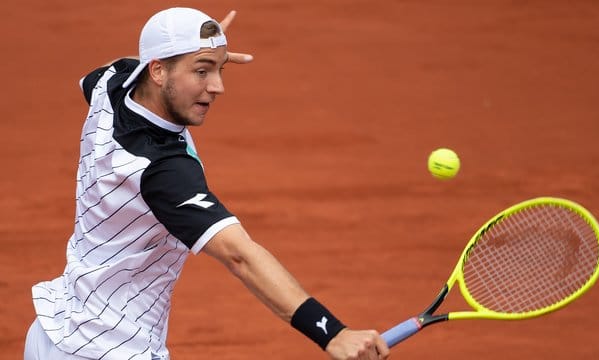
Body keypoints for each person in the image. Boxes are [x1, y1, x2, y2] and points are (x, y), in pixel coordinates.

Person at [24, 7, 390, 360]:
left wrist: (202, 49)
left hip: (53, 330)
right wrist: (332, 332)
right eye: (202, 72)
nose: (217, 87)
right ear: (158, 72)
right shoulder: (162, 171)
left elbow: (114, 66)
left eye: (220, 69)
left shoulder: (113, 85)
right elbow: (239, 255)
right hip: (112, 347)